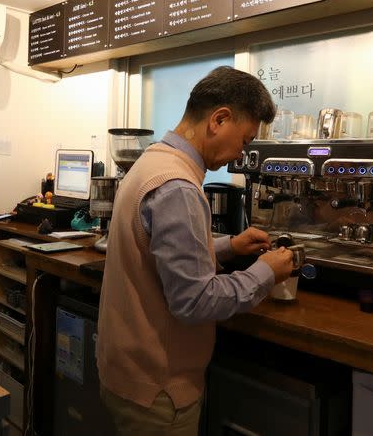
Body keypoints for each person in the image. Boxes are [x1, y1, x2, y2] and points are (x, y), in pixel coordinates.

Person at [97, 66, 295, 435]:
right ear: (219, 119)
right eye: (245, 140)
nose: (241, 153)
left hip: (123, 370)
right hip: (158, 390)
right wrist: (266, 271)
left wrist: (227, 247)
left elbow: (156, 248)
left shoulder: (154, 160)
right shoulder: (179, 187)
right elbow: (195, 301)